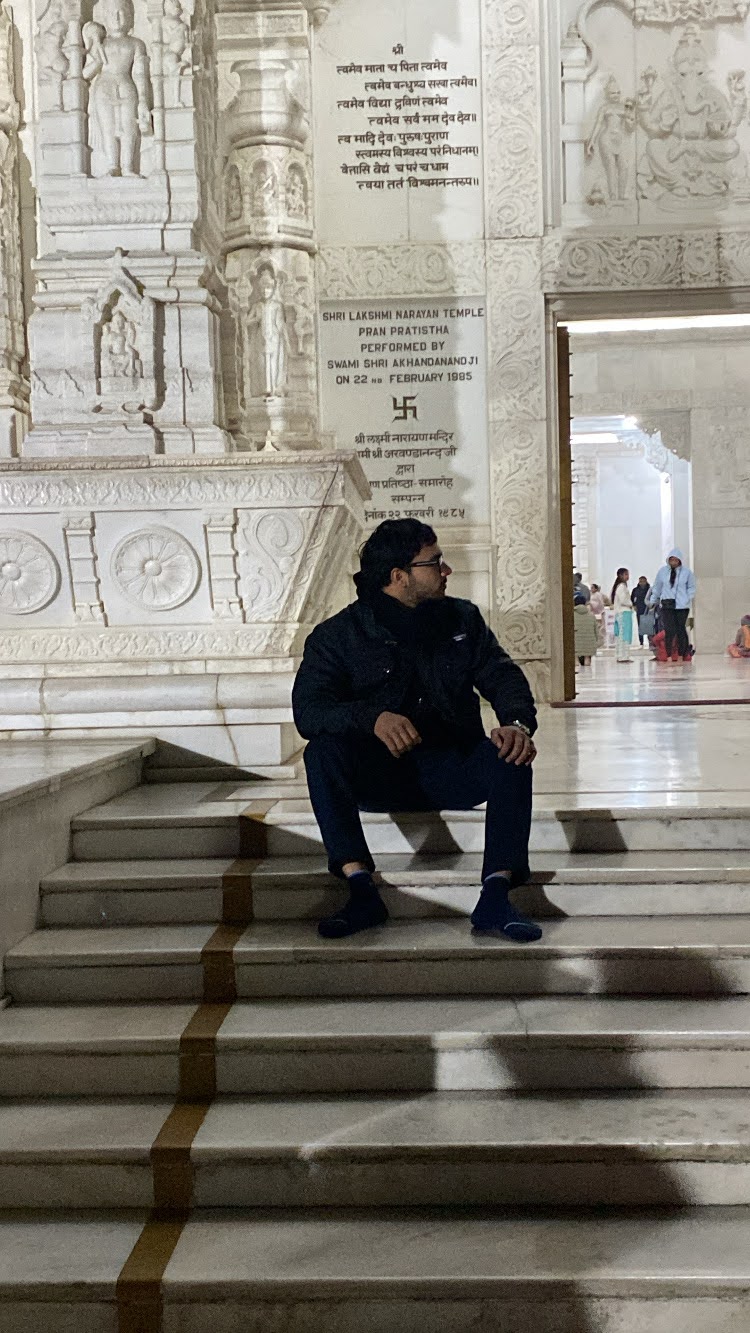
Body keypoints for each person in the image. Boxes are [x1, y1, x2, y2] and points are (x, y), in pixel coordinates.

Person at [292, 519, 541, 944]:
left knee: (512, 752)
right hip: (380, 777)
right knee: (321, 752)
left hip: (453, 766)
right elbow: (309, 711)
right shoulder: (338, 635)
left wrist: (516, 723)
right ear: (398, 576)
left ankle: (496, 895)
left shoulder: (462, 619)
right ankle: (360, 889)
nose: (446, 571)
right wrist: (372, 718)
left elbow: (502, 676)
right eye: (435, 563)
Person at [649, 548, 696, 663]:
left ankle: (681, 654)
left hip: (682, 606)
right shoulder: (662, 572)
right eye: (671, 560)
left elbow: (691, 587)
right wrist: (653, 600)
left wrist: (687, 598)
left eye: (676, 560)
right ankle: (669, 655)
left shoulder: (687, 573)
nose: (673, 562)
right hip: (667, 604)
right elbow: (657, 587)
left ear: (679, 560)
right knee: (669, 630)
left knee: (681, 629)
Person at [611, 567, 634, 662]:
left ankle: (620, 655)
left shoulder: (620, 586)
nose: (627, 576)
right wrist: (631, 604)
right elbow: (623, 600)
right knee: (624, 635)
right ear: (620, 575)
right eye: (625, 574)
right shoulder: (621, 586)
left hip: (621, 613)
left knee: (621, 635)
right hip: (624, 613)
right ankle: (623, 656)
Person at [574, 592, 599, 667]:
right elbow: (596, 631)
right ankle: (587, 663)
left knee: (575, 656)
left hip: (575, 642)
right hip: (589, 643)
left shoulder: (572, 615)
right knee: (587, 658)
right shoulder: (591, 615)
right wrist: (596, 641)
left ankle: (576, 661)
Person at [631, 575, 651, 646]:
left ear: (646, 581)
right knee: (640, 626)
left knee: (649, 626)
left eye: (643, 581)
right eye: (640, 581)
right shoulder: (635, 590)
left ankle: (650, 642)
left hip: (648, 610)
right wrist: (634, 605)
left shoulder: (650, 590)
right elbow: (632, 599)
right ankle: (641, 642)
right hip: (639, 610)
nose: (642, 583)